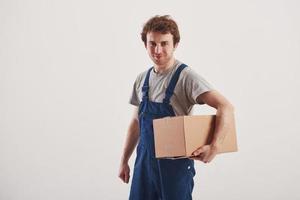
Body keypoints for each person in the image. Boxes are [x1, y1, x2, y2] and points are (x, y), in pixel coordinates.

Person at [118, 15, 235, 200]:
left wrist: (215, 147)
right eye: (152, 43)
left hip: (174, 168)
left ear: (175, 44)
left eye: (164, 43)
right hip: (144, 166)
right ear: (145, 45)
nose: (157, 50)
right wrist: (124, 161)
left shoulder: (186, 77)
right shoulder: (142, 79)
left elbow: (226, 107)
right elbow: (135, 123)